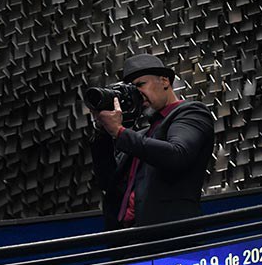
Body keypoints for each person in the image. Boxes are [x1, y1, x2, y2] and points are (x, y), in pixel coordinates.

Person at [90, 54, 214, 229]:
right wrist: (102, 131)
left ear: (164, 81)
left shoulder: (191, 112)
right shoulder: (140, 135)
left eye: (141, 85)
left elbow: (177, 154)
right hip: (127, 240)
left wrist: (119, 131)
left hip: (170, 238)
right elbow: (108, 181)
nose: (137, 94)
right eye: (131, 89)